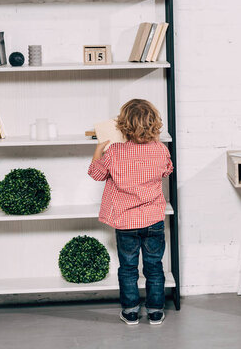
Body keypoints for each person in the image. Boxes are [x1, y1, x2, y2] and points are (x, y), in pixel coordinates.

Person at [88, 99, 173, 325]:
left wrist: (98, 150)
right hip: (153, 219)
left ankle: (131, 311)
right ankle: (155, 311)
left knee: (128, 268)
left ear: (123, 125)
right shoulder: (161, 149)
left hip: (125, 222)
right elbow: (167, 170)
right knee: (154, 266)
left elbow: (96, 174)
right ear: (154, 124)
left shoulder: (114, 152)